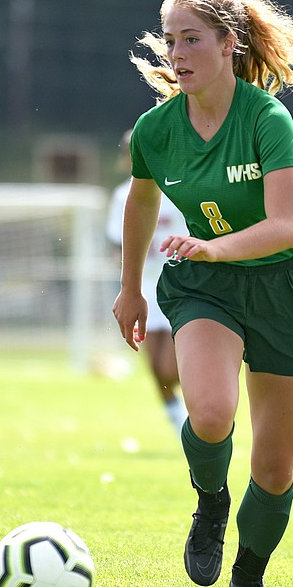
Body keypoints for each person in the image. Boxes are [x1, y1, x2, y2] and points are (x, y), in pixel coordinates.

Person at [112, 0, 293, 587]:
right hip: (205, 286)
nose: (177, 53)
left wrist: (213, 245)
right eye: (171, 40)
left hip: (283, 287)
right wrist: (130, 290)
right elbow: (141, 202)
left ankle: (249, 574)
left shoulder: (266, 118)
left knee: (276, 465)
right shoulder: (155, 130)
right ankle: (210, 503)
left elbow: (286, 225)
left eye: (193, 39)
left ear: (229, 45)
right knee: (208, 414)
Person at [106, 129, 187, 438]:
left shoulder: (177, 187)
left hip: (180, 284)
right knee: (157, 370)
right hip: (146, 286)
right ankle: (178, 419)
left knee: (172, 368)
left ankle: (203, 409)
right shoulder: (121, 195)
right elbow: (120, 242)